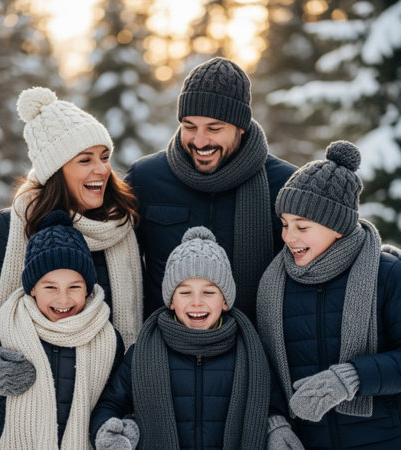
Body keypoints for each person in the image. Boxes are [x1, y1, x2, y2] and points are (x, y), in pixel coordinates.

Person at [0, 87, 142, 395]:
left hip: (105, 410)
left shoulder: (122, 230)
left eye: (105, 157)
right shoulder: (6, 230)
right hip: (21, 403)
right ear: (56, 169)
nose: (103, 169)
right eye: (85, 160)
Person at [89, 226, 300, 450]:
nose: (197, 302)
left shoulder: (249, 352)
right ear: (171, 301)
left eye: (209, 292)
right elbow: (110, 405)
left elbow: (271, 406)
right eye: (185, 292)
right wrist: (111, 432)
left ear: (225, 301)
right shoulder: (142, 353)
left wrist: (277, 428)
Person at [126, 56, 296, 322]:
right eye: (189, 127)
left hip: (252, 349)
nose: (200, 140)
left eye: (214, 128)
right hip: (161, 346)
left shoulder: (285, 185)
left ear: (241, 127)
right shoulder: (146, 178)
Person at [257, 141, 401, 449]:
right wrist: (276, 423)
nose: (288, 237)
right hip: (308, 441)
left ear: (337, 226)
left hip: (383, 438)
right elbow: (262, 368)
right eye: (284, 224)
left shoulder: (386, 273)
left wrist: (351, 378)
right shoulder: (274, 285)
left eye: (302, 227)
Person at [0, 210, 125, 448]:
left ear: (87, 288)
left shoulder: (108, 341)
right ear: (32, 288)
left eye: (74, 286)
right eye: (50, 287)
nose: (63, 300)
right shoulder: (0, 333)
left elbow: (112, 407)